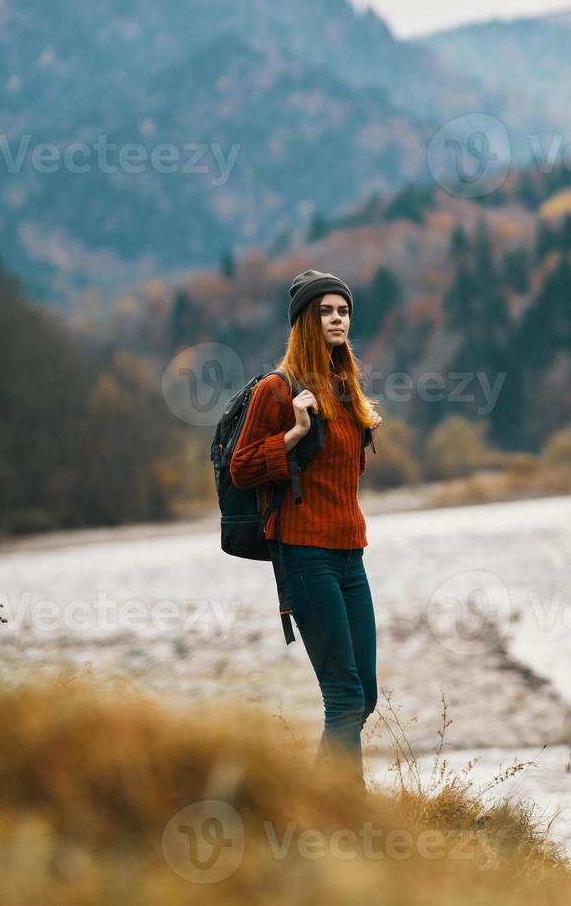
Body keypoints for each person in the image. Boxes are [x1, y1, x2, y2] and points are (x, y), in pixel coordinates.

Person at [229, 269, 382, 788]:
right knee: (342, 696)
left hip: (349, 555)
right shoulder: (277, 389)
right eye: (326, 311)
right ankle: (344, 813)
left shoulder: (346, 388)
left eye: (343, 311)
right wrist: (294, 430)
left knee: (365, 696)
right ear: (303, 322)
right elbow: (243, 467)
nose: (337, 319)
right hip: (303, 553)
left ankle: (323, 801)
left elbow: (342, 479)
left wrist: (359, 433)